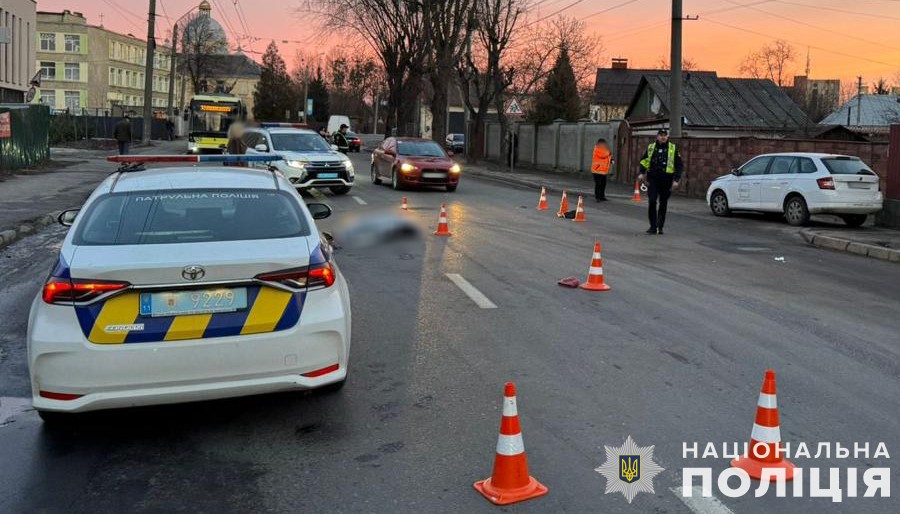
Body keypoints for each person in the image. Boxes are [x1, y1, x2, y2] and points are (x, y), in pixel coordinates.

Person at [637, 129, 684, 235]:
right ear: (657, 137)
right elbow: (644, 161)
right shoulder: (651, 147)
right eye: (661, 135)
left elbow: (679, 165)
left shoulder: (673, 148)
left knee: (663, 203)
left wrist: (676, 180)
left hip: (666, 179)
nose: (663, 137)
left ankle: (660, 226)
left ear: (667, 137)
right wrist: (641, 173)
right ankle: (653, 226)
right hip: (653, 179)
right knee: (652, 201)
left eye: (665, 135)